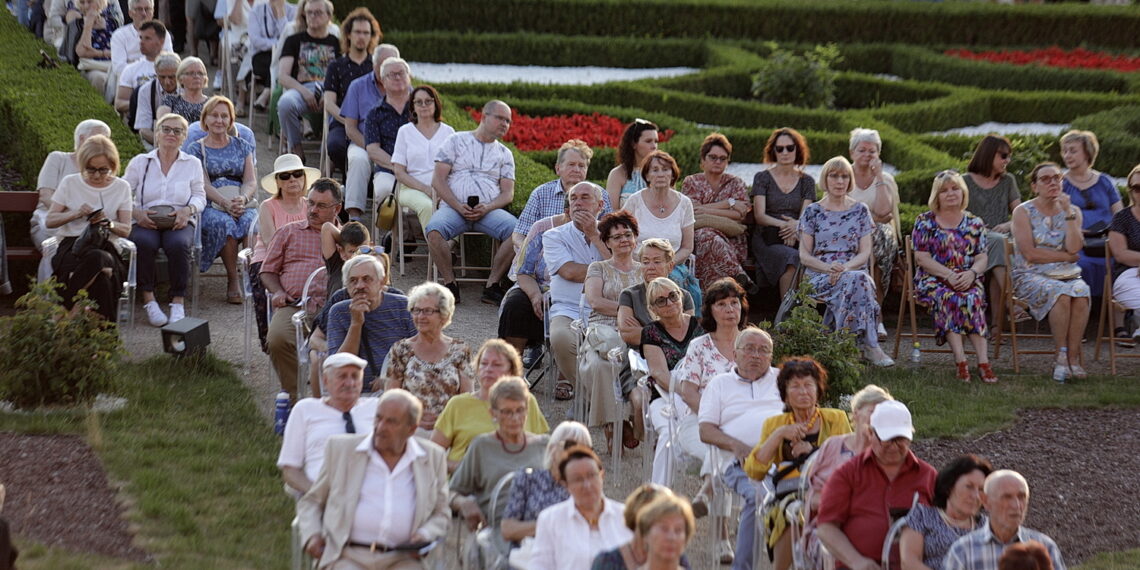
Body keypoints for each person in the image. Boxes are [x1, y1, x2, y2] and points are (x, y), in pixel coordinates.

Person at [297, 389, 450, 569]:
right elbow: (312, 501)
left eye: (391, 422)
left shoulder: (432, 457)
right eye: (378, 418)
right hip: (347, 556)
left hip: (403, 558)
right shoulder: (342, 450)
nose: (380, 427)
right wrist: (312, 534)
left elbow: (442, 513)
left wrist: (425, 534)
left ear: (412, 429)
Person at [743, 357, 852, 570]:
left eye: (808, 385)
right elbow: (754, 471)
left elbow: (848, 461)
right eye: (795, 386)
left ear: (818, 389)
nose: (803, 392)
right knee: (795, 511)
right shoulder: (776, 424)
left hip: (830, 491)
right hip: (789, 494)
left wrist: (813, 453)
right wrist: (778, 435)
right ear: (785, 393)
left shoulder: (835, 418)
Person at [698, 326, 784, 569]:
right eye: (749, 349)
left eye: (763, 350)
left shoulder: (783, 380)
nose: (756, 355)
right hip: (738, 462)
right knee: (758, 497)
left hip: (784, 461)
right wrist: (737, 445)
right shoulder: (720, 384)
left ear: (771, 356)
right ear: (735, 354)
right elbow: (706, 430)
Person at [817, 400, 937, 570]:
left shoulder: (928, 476)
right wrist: (856, 561)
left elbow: (948, 524)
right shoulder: (847, 473)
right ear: (870, 433)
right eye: (887, 439)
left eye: (901, 439)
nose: (894, 446)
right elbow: (826, 527)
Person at [799, 156, 895, 367]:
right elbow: (804, 256)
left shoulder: (860, 210)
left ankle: (844, 347)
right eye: (834, 176)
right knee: (861, 283)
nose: (839, 181)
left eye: (844, 176)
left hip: (852, 272)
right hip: (820, 275)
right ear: (825, 179)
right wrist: (828, 267)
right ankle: (869, 346)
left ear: (850, 181)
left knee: (857, 280)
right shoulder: (812, 211)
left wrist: (845, 268)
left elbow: (865, 253)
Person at [427, 99, 519, 305]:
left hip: (487, 212)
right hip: (453, 208)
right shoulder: (455, 141)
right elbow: (438, 180)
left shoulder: (505, 154)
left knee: (518, 232)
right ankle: (450, 284)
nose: (505, 124)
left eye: (508, 121)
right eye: (500, 118)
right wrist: (457, 205)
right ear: (484, 117)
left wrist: (488, 207)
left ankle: (492, 284)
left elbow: (507, 194)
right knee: (434, 231)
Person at [672, 278, 748, 528]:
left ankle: (706, 494)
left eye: (734, 303)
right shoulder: (700, 346)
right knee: (723, 452)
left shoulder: (752, 344)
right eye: (722, 304)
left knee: (725, 450)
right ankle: (723, 537)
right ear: (711, 311)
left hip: (742, 424)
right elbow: (688, 392)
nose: (729, 310)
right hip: (699, 421)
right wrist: (714, 418)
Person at [1010, 162, 1091, 383]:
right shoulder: (1023, 211)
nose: (1053, 182)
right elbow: (1030, 254)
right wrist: (1065, 256)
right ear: (1035, 186)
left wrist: (1068, 215)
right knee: (1062, 295)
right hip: (1029, 275)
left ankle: (1073, 359)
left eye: (1057, 177)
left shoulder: (1072, 212)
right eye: (1046, 179)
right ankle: (1061, 358)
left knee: (1082, 293)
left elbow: (1075, 248)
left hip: (1067, 274)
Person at [262, 178, 343, 398]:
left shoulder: (347, 238)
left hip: (336, 310)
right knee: (277, 338)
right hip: (295, 305)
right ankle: (294, 398)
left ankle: (338, 403)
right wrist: (278, 291)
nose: (313, 210)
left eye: (321, 206)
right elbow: (267, 270)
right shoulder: (288, 232)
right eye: (311, 203)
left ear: (338, 208)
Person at [123, 112, 206, 327]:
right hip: (145, 219)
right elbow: (122, 193)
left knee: (178, 244)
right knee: (144, 243)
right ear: (157, 134)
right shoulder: (140, 162)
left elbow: (200, 195)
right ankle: (148, 299)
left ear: (184, 137)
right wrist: (136, 213)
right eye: (166, 129)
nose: (171, 134)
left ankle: (177, 301)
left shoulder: (193, 163)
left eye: (177, 131)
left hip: (178, 219)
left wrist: (187, 211)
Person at [913, 170, 996, 383]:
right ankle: (961, 361)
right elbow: (921, 258)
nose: (951, 194)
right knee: (950, 298)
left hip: (968, 276)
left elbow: (982, 257)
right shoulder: (925, 221)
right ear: (936, 196)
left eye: (955, 189)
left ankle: (983, 362)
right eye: (944, 191)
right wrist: (948, 275)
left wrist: (972, 273)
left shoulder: (975, 223)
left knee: (973, 298)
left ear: (963, 192)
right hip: (933, 277)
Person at [800, 385, 894, 566]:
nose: (876, 419)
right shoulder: (833, 446)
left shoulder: (889, 452)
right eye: (872, 412)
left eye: (882, 415)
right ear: (856, 413)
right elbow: (811, 497)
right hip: (829, 528)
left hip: (876, 531)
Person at [44, 135, 132, 322]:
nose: (98, 175)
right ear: (82, 164)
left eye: (103, 170)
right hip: (72, 247)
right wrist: (75, 213)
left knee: (99, 258)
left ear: (113, 166)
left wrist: (109, 223)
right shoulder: (70, 182)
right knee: (102, 280)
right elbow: (50, 221)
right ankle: (106, 342)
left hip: (106, 245)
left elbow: (126, 230)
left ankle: (64, 310)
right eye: (91, 170)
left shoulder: (121, 187)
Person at [432, 340, 550, 472]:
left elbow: (543, 452)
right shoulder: (458, 404)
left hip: (512, 482)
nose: (488, 369)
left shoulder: (525, 401)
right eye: (484, 364)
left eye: (496, 365)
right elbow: (432, 454)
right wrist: (462, 468)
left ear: (511, 371)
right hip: (465, 484)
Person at [450, 377, 550, 533]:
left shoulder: (543, 445)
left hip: (541, 529)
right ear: (493, 413)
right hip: (498, 530)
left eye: (520, 410)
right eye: (506, 412)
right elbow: (452, 492)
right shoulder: (482, 446)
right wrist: (464, 503)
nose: (515, 418)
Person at [185, 95, 257, 303]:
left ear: (231, 120)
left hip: (238, 199)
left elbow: (251, 181)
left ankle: (253, 277)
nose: (219, 120)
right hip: (211, 201)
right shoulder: (196, 149)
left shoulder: (243, 145)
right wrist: (224, 203)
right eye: (214, 115)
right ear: (205, 119)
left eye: (224, 116)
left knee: (252, 223)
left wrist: (242, 199)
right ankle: (233, 279)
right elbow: (203, 184)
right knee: (224, 223)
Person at [277, 352, 380, 495]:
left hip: (371, 495)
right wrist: (318, 494)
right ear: (325, 381)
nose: (350, 383)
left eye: (355, 376)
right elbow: (290, 470)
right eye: (342, 376)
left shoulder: (377, 407)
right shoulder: (305, 409)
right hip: (322, 495)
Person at [544, 182, 610, 401]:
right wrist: (607, 271)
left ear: (599, 205)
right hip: (568, 308)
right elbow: (569, 272)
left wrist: (594, 235)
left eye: (585, 197)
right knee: (561, 337)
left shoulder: (614, 233)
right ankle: (594, 397)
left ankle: (599, 400)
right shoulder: (554, 235)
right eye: (573, 198)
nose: (578, 203)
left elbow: (623, 269)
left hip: (607, 309)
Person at [582, 211, 643, 443]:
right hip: (603, 331)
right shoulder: (598, 268)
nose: (623, 240)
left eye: (628, 234)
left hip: (636, 331)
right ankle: (615, 423)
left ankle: (622, 421)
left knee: (634, 363)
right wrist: (627, 310)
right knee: (599, 365)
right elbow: (595, 301)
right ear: (606, 242)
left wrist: (633, 318)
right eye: (616, 237)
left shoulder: (644, 269)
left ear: (635, 238)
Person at [383, 282, 473, 432]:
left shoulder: (460, 350)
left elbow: (467, 399)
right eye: (416, 310)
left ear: (444, 315)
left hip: (449, 429)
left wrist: (444, 420)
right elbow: (390, 398)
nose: (420, 316)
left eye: (427, 311)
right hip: (408, 428)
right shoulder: (401, 349)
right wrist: (415, 419)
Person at [250, 154, 317, 350]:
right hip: (268, 259)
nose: (292, 180)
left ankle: (313, 342)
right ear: (278, 182)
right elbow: (271, 242)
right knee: (263, 286)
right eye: (285, 176)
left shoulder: (310, 206)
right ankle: (270, 342)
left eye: (297, 174)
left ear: (304, 178)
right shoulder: (267, 206)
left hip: (302, 260)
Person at [501, 421, 593, 564]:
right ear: (552, 448)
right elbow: (508, 529)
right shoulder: (528, 478)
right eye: (570, 446)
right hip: (529, 558)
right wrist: (548, 525)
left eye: (584, 451)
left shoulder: (587, 487)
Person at [642, 276, 704, 484]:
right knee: (669, 435)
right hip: (664, 394)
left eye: (673, 296)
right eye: (661, 301)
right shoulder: (650, 332)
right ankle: (659, 496)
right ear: (653, 308)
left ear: (681, 297)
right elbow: (659, 374)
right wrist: (685, 392)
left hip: (701, 393)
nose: (669, 303)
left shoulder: (700, 326)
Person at [531, 445, 632, 570]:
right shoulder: (550, 520)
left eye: (591, 475)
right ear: (565, 484)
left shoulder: (626, 516)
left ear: (602, 476)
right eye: (577, 479)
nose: (587, 485)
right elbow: (540, 566)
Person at [623, 151, 700, 311]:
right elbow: (620, 236)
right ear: (647, 175)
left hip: (673, 265)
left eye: (665, 169)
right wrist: (644, 264)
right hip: (638, 264)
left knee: (671, 282)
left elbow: (687, 247)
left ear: (673, 174)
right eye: (655, 170)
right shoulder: (635, 201)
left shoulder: (684, 203)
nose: (660, 174)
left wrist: (667, 265)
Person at [943, 470, 1066, 570]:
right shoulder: (964, 551)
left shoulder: (1045, 547)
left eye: (1021, 497)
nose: (1016, 505)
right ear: (985, 501)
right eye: (1007, 497)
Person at [33, 120, 112, 269]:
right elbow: (45, 195)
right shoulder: (57, 158)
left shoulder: (103, 167)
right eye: (100, 138)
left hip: (86, 224)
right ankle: (52, 290)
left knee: (100, 249)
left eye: (107, 139)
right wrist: (72, 213)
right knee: (57, 249)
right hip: (51, 221)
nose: (104, 144)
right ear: (82, 138)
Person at [326, 254, 415, 383]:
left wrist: (392, 380)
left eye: (367, 279)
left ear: (382, 282)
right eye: (353, 281)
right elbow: (339, 366)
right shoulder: (338, 312)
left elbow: (423, 357)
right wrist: (356, 324)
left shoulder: (404, 307)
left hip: (400, 390)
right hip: (354, 392)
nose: (360, 286)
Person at [751, 127, 816, 299]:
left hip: (798, 236)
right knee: (792, 257)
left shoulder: (807, 181)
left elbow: (805, 217)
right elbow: (760, 216)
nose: (785, 152)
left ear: (797, 149)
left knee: (806, 256)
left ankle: (805, 314)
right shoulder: (762, 178)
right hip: (767, 238)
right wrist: (788, 226)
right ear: (773, 151)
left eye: (790, 147)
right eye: (780, 148)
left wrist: (796, 227)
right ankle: (786, 317)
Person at [964, 135, 1023, 326]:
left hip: (1002, 237)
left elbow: (1019, 214)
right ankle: (1012, 303)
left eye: (1009, 156)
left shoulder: (1008, 181)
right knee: (999, 244)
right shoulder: (965, 181)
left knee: (999, 247)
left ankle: (997, 327)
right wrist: (977, 224)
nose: (1007, 161)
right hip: (971, 239)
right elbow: (956, 214)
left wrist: (1007, 225)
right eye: (1003, 156)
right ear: (988, 155)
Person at [683, 133, 753, 290]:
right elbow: (692, 211)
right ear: (703, 160)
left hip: (732, 240)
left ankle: (712, 298)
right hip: (697, 241)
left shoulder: (736, 183)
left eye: (723, 158)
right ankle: (737, 277)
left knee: (708, 236)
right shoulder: (692, 182)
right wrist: (728, 204)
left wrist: (706, 210)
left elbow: (740, 215)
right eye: (713, 157)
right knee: (707, 236)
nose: (718, 161)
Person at [1060, 130, 1122, 304]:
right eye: (1064, 151)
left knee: (1119, 259)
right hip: (1076, 241)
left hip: (1105, 238)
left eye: (1073, 150)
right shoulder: (1060, 183)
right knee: (1082, 264)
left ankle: (1116, 309)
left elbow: (1119, 213)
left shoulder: (1105, 181)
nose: (1067, 155)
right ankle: (1084, 304)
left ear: (1087, 152)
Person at [340, 43, 402, 219]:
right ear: (374, 65)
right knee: (358, 159)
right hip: (363, 141)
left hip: (395, 147)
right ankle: (354, 217)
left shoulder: (405, 90)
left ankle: (396, 225)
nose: (386, 70)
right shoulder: (357, 86)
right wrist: (372, 149)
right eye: (382, 65)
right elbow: (350, 128)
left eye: (391, 64)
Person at [900, 455, 994, 570]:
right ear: (949, 487)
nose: (975, 496)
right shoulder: (923, 516)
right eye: (969, 487)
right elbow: (909, 562)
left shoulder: (986, 526)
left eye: (981, 489)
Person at [515, 139, 612, 249]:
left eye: (581, 166)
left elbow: (611, 232)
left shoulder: (600, 195)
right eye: (571, 164)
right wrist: (529, 253)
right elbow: (519, 233)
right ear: (558, 168)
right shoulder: (541, 193)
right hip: (547, 255)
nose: (576, 169)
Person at [321, 7, 379, 181]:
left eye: (366, 33)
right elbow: (329, 103)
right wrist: (349, 122)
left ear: (371, 36)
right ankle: (352, 181)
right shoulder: (336, 66)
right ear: (348, 34)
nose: (361, 37)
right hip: (342, 122)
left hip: (374, 125)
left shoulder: (376, 67)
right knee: (335, 146)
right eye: (357, 32)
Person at [849, 128, 902, 320]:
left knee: (878, 236)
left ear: (878, 154)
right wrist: (868, 219)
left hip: (880, 238)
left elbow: (884, 213)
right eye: (861, 150)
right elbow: (839, 213)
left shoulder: (886, 179)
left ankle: (874, 314)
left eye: (872, 151)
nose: (867, 155)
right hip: (850, 234)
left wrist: (878, 176)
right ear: (852, 153)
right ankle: (855, 314)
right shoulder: (843, 176)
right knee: (867, 236)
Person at [276, 0, 339, 158]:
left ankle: (329, 153)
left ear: (328, 16)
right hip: (301, 89)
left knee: (345, 106)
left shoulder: (336, 42)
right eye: (309, 12)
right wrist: (303, 91)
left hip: (329, 90)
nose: (312, 16)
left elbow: (340, 76)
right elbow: (283, 76)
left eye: (317, 13)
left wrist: (329, 94)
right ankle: (296, 149)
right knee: (285, 104)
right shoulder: (293, 40)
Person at [392, 84, 454, 241]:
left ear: (436, 104)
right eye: (418, 102)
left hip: (443, 188)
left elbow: (456, 168)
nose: (424, 105)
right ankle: (440, 251)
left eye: (428, 101)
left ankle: (449, 246)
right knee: (427, 206)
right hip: (411, 188)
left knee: (454, 206)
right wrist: (426, 189)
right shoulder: (405, 131)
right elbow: (399, 172)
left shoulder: (449, 132)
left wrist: (441, 191)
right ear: (413, 106)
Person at [591, 485, 694, 570]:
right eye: (663, 528)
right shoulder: (608, 562)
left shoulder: (676, 556)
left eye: (678, 530)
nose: (671, 537)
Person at [618, 239, 696, 347]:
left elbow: (686, 335)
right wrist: (669, 334)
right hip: (640, 358)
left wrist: (644, 331)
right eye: (645, 262)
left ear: (670, 266)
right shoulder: (629, 295)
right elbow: (628, 334)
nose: (650, 267)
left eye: (657, 261)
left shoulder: (683, 296)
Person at [362, 57, 414, 219]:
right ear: (382, 81)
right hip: (388, 170)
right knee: (385, 190)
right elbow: (373, 149)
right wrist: (398, 167)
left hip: (420, 168)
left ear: (409, 77)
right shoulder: (374, 113)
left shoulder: (422, 108)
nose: (398, 77)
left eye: (401, 73)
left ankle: (408, 234)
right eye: (392, 74)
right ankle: (398, 237)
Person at [1108, 164, 1140, 343]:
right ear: (1131, 191)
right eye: (1137, 188)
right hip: (1127, 274)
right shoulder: (1122, 218)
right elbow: (1120, 254)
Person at [240, 0, 295, 98]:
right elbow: (255, 40)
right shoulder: (256, 11)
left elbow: (290, 38)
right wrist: (278, 44)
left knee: (283, 64)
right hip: (262, 56)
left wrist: (281, 13)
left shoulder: (293, 11)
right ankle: (268, 92)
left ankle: (266, 92)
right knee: (277, 66)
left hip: (284, 57)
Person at [112, 19, 166, 114]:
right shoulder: (130, 69)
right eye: (140, 38)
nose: (141, 42)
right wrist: (144, 104)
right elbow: (119, 104)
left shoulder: (176, 68)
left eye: (147, 38)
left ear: (161, 42)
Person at [607, 119, 659, 208]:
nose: (654, 146)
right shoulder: (617, 174)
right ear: (633, 144)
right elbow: (611, 212)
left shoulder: (664, 172)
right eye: (648, 141)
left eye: (656, 141)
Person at [109, 0, 171, 72]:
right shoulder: (119, 35)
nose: (144, 13)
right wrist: (147, 64)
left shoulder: (162, 33)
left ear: (153, 12)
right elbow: (118, 68)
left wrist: (133, 63)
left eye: (147, 9)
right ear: (130, 13)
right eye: (139, 9)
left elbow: (169, 62)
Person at [74, 0, 119, 95]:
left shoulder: (112, 22)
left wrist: (96, 52)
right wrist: (88, 25)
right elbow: (82, 52)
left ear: (100, 3)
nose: (86, 6)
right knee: (99, 78)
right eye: (82, 2)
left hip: (112, 66)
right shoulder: (77, 24)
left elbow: (120, 50)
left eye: (90, 2)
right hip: (92, 67)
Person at [135, 53, 181, 145]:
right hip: (155, 141)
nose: (167, 82)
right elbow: (144, 129)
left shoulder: (188, 88)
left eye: (172, 77)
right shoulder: (146, 91)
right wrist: (164, 145)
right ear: (156, 72)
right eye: (162, 77)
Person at [155, 56, 209, 125]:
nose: (196, 76)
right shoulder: (170, 100)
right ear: (181, 79)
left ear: (205, 79)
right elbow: (162, 124)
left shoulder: (212, 103)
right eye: (191, 73)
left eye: (200, 73)